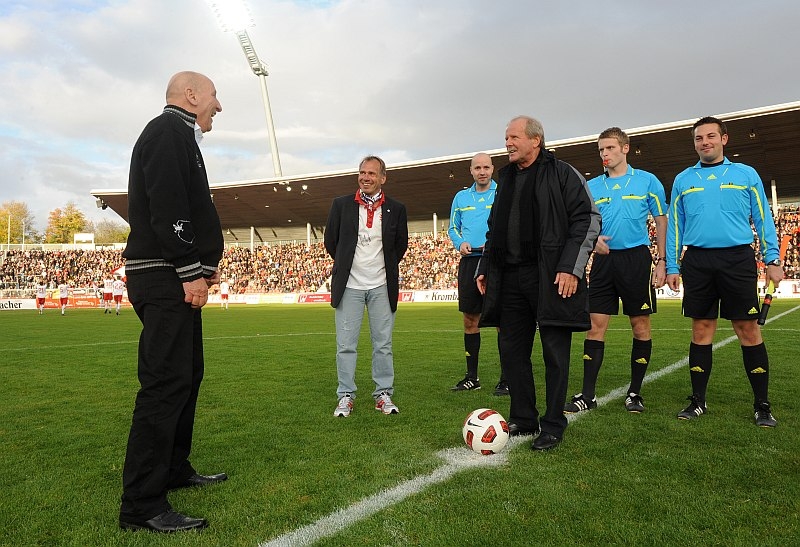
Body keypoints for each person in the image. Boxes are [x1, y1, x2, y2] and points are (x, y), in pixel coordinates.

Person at [119, 71, 226, 533]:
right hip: (164, 277)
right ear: (192, 95)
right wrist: (189, 268)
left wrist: (203, 262)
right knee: (164, 384)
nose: (218, 106)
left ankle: (173, 468)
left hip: (173, 274)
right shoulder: (167, 132)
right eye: (214, 97)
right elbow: (168, 205)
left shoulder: (180, 135)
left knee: (186, 375)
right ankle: (142, 504)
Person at [477, 116, 600, 451]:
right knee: (512, 352)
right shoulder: (506, 180)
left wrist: (571, 268)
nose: (508, 143)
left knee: (554, 353)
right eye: (506, 138)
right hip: (511, 278)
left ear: (536, 140)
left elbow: (588, 218)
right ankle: (524, 418)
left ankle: (553, 424)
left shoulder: (562, 173)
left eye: (514, 137)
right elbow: (494, 230)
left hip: (551, 275)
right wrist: (486, 267)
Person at [666, 116, 783, 428]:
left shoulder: (745, 174)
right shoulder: (683, 179)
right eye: (699, 138)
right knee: (701, 330)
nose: (705, 142)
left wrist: (773, 259)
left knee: (748, 330)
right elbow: (675, 226)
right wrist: (672, 264)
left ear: (724, 139)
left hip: (737, 260)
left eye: (710, 137)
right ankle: (698, 400)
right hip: (698, 262)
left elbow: (762, 218)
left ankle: (762, 405)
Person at [564, 127, 667, 415]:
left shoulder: (648, 181)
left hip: (637, 259)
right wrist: (593, 241)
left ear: (625, 148)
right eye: (600, 150)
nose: (604, 154)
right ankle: (587, 394)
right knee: (596, 327)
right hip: (603, 264)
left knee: (640, 326)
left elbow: (661, 222)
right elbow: (578, 223)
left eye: (609, 148)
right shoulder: (593, 186)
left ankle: (635, 393)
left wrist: (662, 261)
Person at [324, 155, 408, 418]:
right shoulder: (341, 205)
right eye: (362, 172)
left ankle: (383, 394)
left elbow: (400, 246)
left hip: (382, 285)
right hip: (350, 286)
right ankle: (345, 395)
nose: (366, 177)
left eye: (372, 173)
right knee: (346, 344)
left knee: (383, 344)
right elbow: (331, 242)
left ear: (383, 178)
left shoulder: (396, 208)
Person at [447, 153, 507, 395]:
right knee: (470, 320)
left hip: (496, 262)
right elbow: (453, 227)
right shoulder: (461, 197)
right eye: (477, 168)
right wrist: (459, 242)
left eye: (486, 167)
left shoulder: (503, 193)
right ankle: (472, 377)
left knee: (502, 322)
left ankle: (507, 378)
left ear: (492, 169)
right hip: (470, 262)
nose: (482, 171)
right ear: (471, 171)